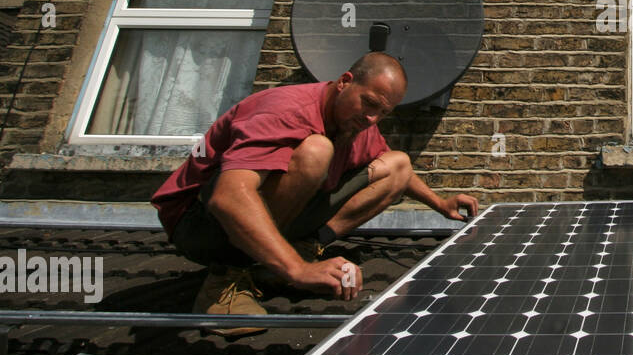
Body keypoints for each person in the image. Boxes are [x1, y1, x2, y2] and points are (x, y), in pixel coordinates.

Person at [151, 51, 479, 336]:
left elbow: (398, 173)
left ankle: (296, 250)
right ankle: (227, 278)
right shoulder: (285, 109)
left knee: (397, 164)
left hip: (261, 214)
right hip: (198, 224)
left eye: (383, 113)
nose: (371, 118)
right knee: (316, 152)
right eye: (369, 104)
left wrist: (439, 203)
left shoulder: (355, 125)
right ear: (344, 81)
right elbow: (228, 196)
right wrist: (298, 270)